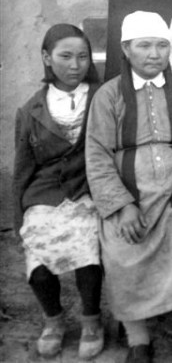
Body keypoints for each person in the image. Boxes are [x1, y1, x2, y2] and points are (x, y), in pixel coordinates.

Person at [86, 11, 172, 363]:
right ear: (126, 50)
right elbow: (97, 153)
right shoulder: (109, 96)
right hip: (130, 198)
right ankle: (138, 339)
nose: (154, 54)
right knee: (121, 252)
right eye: (144, 46)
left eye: (161, 46)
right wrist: (121, 205)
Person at [13, 24, 104, 360]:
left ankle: (92, 320)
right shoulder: (31, 110)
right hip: (45, 193)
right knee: (37, 259)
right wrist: (20, 216)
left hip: (88, 189)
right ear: (47, 58)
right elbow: (23, 168)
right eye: (65, 56)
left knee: (87, 250)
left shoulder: (103, 97)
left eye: (82, 57)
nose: (75, 65)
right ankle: (53, 319)